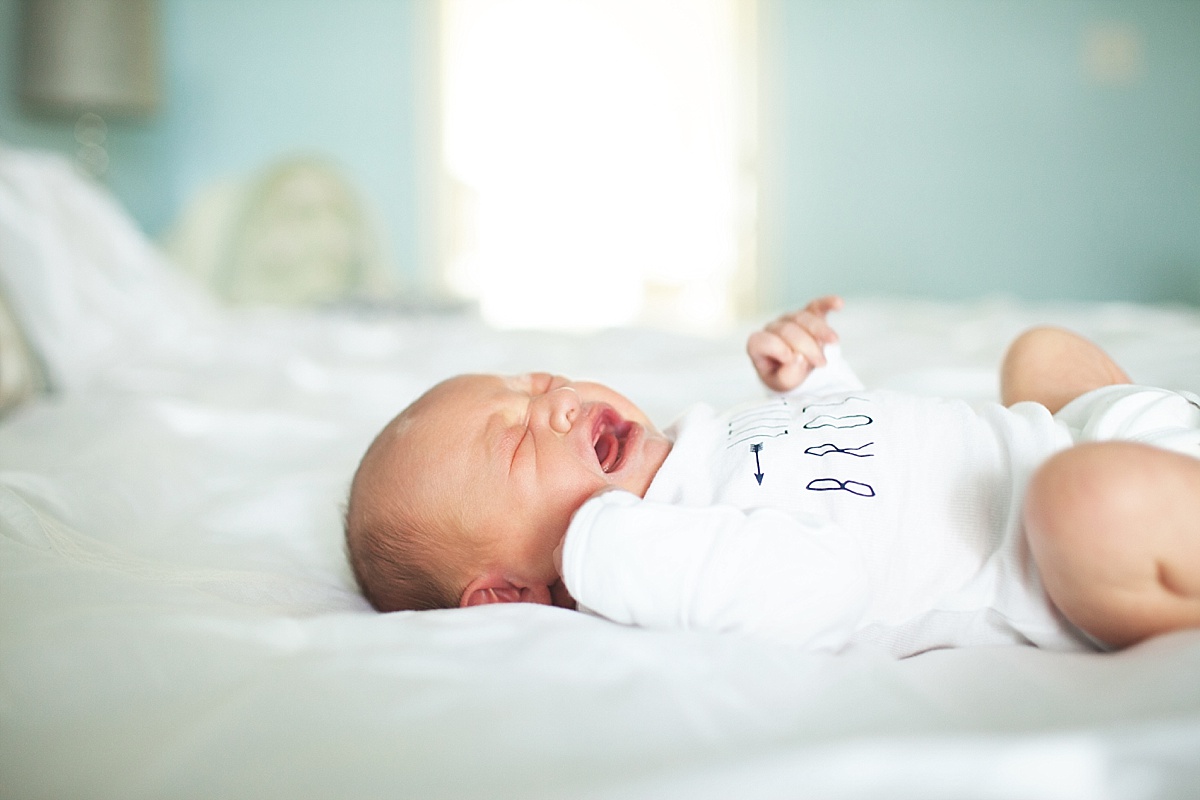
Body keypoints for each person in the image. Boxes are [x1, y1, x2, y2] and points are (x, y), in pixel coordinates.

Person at [344, 297, 1200, 656]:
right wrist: (592, 548)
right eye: (519, 441)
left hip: (1077, 435)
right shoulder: (682, 554)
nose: (559, 401)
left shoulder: (692, 445)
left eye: (537, 382)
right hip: (1072, 551)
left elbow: (858, 465)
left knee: (1040, 353)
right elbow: (830, 579)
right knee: (1077, 500)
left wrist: (818, 384)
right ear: (507, 595)